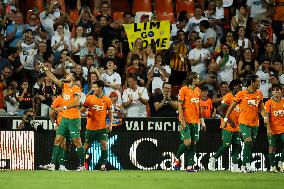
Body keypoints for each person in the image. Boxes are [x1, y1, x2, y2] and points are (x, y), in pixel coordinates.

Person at [39, 61, 85, 171]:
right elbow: (53, 77)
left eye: (68, 75)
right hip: (64, 119)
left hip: (74, 119)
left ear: (73, 78)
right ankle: (53, 164)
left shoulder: (76, 89)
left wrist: (63, 107)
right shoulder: (64, 86)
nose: (66, 76)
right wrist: (45, 68)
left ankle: (82, 165)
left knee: (77, 142)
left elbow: (77, 103)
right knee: (58, 140)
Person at [222, 75, 267, 173]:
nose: (259, 83)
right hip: (243, 122)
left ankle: (243, 166)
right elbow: (231, 106)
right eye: (258, 81)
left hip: (255, 123)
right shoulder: (241, 93)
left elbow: (262, 108)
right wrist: (226, 118)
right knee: (248, 141)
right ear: (252, 82)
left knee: (250, 144)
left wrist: (265, 117)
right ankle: (247, 165)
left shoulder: (259, 94)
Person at [174, 72, 206, 172]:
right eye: (197, 78)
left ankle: (189, 167)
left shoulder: (198, 90)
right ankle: (176, 158)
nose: (199, 80)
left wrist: (202, 121)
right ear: (193, 79)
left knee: (193, 143)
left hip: (196, 121)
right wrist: (182, 119)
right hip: (186, 121)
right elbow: (180, 105)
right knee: (187, 142)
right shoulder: (183, 90)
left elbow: (199, 107)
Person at [208, 79, 243, 172]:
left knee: (237, 145)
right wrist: (229, 120)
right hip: (228, 125)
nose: (241, 88)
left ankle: (235, 167)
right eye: (240, 86)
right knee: (226, 146)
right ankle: (213, 159)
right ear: (235, 87)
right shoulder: (228, 96)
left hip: (237, 125)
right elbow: (220, 110)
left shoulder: (241, 97)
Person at [80, 80, 113, 171]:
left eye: (95, 87)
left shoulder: (107, 100)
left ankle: (103, 165)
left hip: (102, 127)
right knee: (86, 147)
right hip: (90, 127)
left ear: (100, 88)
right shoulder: (90, 98)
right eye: (93, 87)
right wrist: (82, 111)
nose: (93, 89)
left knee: (104, 145)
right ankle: (83, 164)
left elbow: (110, 113)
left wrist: (110, 124)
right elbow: (82, 110)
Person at [265, 84, 284, 173]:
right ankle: (273, 166)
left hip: (283, 128)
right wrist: (268, 129)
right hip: (272, 129)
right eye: (274, 90)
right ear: (272, 92)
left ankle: (281, 162)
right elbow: (267, 117)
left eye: (277, 90)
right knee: (272, 148)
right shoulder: (268, 103)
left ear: (281, 91)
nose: (275, 91)